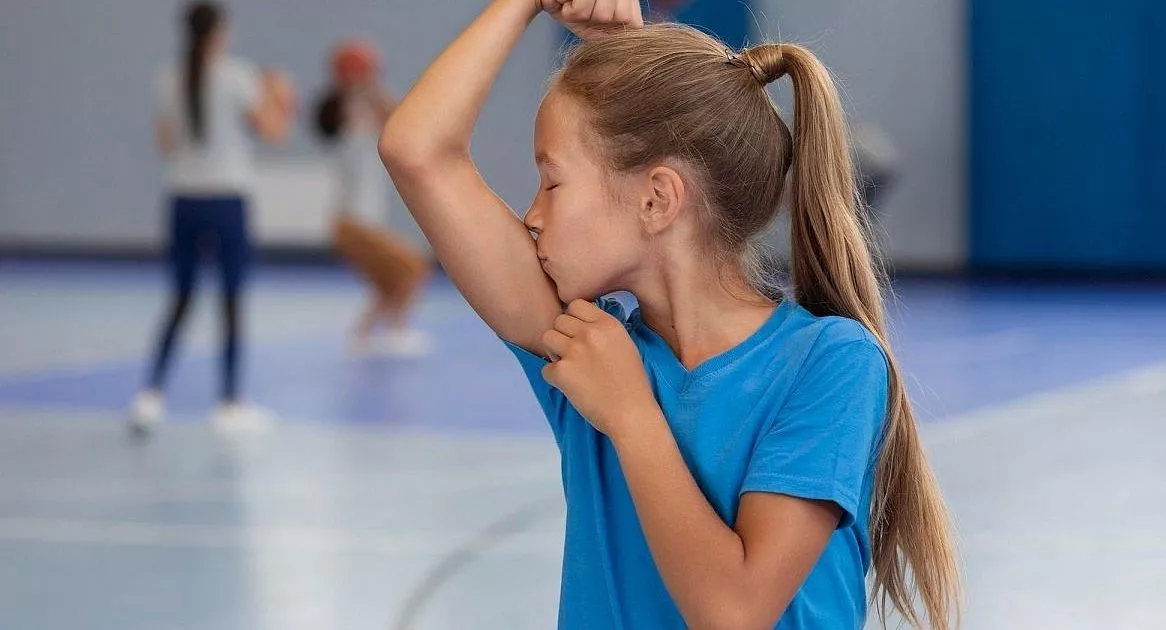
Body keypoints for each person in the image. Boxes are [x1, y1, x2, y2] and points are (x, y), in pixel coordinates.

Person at [379, 0, 960, 628]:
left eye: (552, 182)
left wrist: (632, 416)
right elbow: (417, 152)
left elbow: (734, 611)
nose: (532, 216)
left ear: (657, 199)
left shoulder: (831, 362)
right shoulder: (583, 344)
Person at [130, 1, 295, 433]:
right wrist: (280, 97)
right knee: (231, 299)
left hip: (183, 197)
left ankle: (151, 395)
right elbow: (273, 132)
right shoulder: (238, 75)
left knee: (181, 298)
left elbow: (165, 143)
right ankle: (229, 401)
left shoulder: (167, 77)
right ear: (220, 32)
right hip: (226, 197)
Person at [315, 39, 433, 355]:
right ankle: (396, 330)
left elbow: (398, 120)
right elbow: (393, 119)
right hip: (353, 222)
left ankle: (361, 335)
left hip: (358, 222)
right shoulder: (341, 118)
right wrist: (359, 82)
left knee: (389, 282)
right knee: (412, 266)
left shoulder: (363, 116)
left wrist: (369, 86)